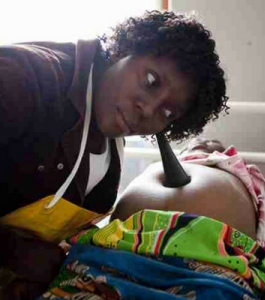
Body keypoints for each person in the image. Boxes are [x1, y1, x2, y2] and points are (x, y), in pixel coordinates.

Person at [0, 10, 228, 299]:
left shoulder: (110, 158)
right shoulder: (26, 78)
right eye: (150, 80)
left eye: (168, 112)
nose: (148, 109)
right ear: (126, 49)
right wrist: (17, 253)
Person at [35, 137, 265, 299]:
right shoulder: (150, 170)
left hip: (208, 262)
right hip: (119, 252)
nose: (206, 146)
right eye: (197, 144)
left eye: (215, 146)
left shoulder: (250, 179)